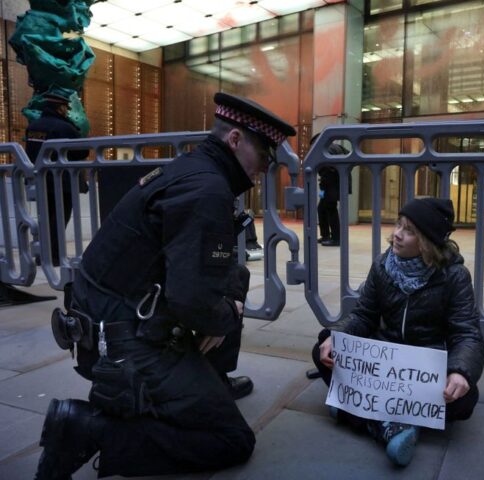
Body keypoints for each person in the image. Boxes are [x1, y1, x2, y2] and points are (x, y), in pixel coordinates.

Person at [36, 93, 296, 478]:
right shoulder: (207, 189)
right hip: (123, 344)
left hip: (109, 320)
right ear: (235, 139)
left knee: (234, 279)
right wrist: (226, 314)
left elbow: (209, 274)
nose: (265, 167)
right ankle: (89, 429)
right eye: (264, 155)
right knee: (232, 439)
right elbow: (191, 301)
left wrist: (221, 308)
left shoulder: (193, 169)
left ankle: (209, 382)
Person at [311, 197, 484, 467]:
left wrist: (460, 372)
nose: (397, 234)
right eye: (398, 225)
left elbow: (467, 334)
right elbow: (363, 315)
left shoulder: (454, 276)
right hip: (384, 364)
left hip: (425, 368)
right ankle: (393, 423)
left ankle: (358, 413)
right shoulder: (383, 266)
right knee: (322, 351)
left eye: (409, 230)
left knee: (466, 398)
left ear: (426, 242)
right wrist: (336, 336)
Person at [25, 92, 89, 265]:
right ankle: (54, 256)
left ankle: (43, 255)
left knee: (45, 218)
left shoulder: (34, 126)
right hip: (62, 181)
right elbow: (82, 151)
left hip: (40, 179)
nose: (67, 110)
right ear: (60, 107)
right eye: (66, 107)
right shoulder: (65, 127)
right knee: (59, 219)